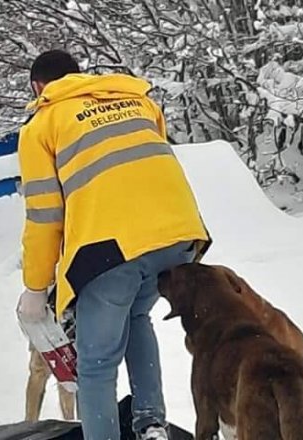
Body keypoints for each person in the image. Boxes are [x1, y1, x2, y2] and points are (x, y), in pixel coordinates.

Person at [15, 49, 212, 440]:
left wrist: (36, 288)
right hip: (181, 234)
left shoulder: (41, 124)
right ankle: (150, 425)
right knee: (137, 317)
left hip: (112, 247)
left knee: (97, 361)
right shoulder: (137, 100)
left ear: (39, 87)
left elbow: (44, 216)